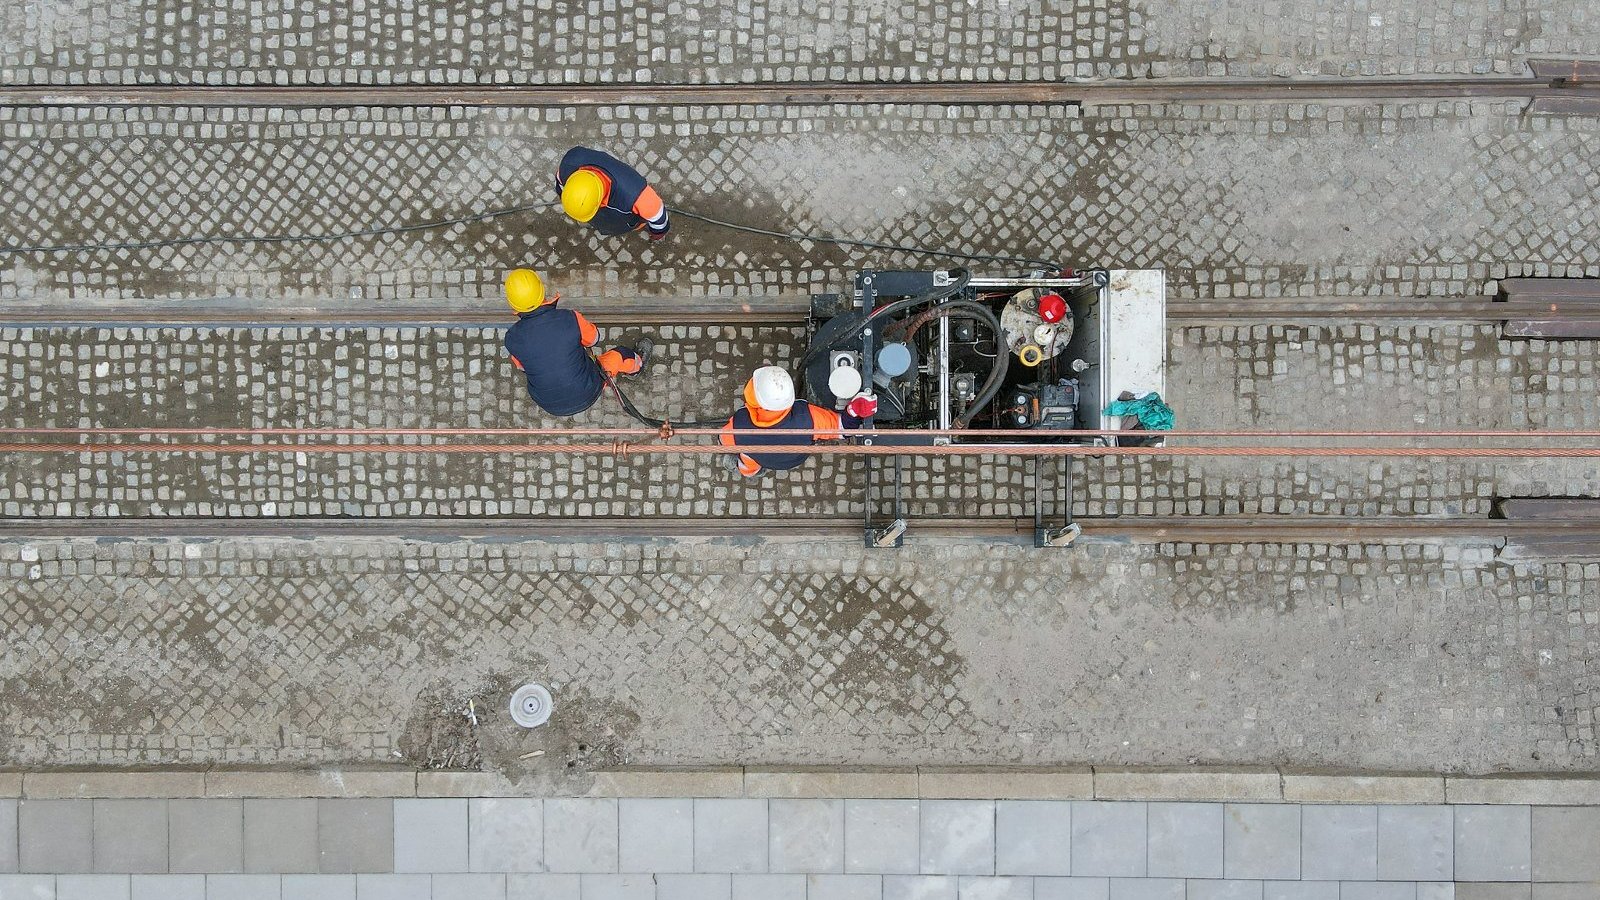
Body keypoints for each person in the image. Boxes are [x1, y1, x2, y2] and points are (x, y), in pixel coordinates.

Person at [502, 268, 652, 417]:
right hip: (589, 390)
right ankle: (636, 367)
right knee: (622, 354)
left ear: (513, 305)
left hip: (549, 404)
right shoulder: (569, 318)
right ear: (542, 292)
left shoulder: (511, 339)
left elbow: (522, 367)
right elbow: (594, 339)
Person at [719, 366, 875, 477]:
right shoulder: (807, 417)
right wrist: (856, 409)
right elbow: (844, 428)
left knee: (747, 463)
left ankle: (753, 471)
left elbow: (723, 439)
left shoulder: (739, 423)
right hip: (795, 458)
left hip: (764, 459)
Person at [556, 146, 670, 240]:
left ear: (599, 202)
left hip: (625, 220)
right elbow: (560, 184)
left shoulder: (636, 194)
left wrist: (658, 232)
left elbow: (658, 215)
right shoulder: (570, 162)